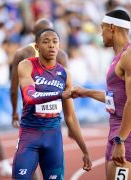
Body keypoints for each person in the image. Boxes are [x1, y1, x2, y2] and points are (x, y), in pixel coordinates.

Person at [12, 28, 92, 179]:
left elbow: (70, 117)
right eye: (46, 42)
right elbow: (30, 97)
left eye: (55, 42)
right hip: (29, 136)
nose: (51, 46)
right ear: (37, 47)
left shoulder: (65, 74)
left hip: (53, 138)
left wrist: (85, 150)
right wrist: (60, 94)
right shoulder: (26, 65)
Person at [70, 10, 131, 180]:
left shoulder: (130, 55)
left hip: (127, 132)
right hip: (117, 129)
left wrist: (121, 140)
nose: (100, 32)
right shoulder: (119, 57)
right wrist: (86, 92)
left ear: (113, 27)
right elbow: (116, 98)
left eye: (102, 27)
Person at [10, 18, 68, 128]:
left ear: (33, 33)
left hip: (31, 113)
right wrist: (69, 119)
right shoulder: (61, 55)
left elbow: (14, 89)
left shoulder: (21, 53)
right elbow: (66, 89)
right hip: (53, 114)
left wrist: (14, 114)